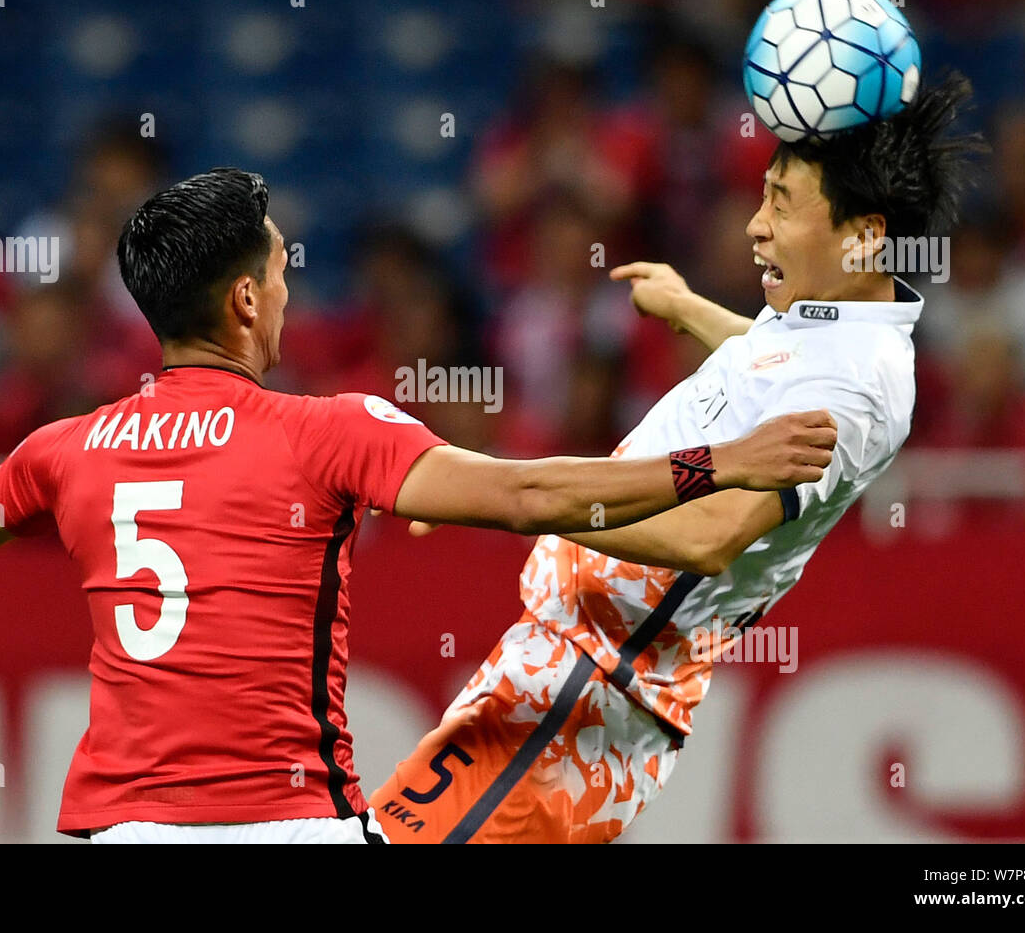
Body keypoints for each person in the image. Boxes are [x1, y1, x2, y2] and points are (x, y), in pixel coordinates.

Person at [0, 168, 836, 845]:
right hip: (291, 822)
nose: (287, 290)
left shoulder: (66, 449)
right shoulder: (323, 430)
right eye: (280, 270)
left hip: (126, 829)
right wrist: (721, 463)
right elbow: (530, 492)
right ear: (243, 300)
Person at [372, 75, 984, 844]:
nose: (756, 227)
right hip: (567, 663)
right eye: (762, 195)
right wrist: (690, 307)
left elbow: (709, 534)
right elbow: (777, 365)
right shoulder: (831, 319)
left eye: (782, 203)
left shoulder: (857, 380)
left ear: (863, 234)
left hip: (588, 695)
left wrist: (517, 500)